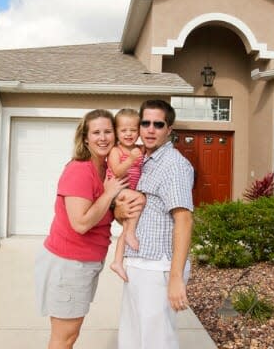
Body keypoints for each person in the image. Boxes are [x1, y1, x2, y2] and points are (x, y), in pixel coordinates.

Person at [34, 109, 133, 349]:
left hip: (83, 264)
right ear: (85, 138)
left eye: (108, 131)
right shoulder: (80, 170)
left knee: (70, 336)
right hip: (68, 264)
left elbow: (100, 214)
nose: (103, 137)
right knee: (64, 338)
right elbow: (80, 223)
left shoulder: (105, 171)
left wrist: (117, 211)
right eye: (96, 132)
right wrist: (110, 194)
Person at [115, 99, 195, 349]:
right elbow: (134, 212)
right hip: (137, 263)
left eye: (158, 124)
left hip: (158, 268)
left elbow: (184, 219)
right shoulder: (143, 162)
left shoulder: (174, 165)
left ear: (169, 129)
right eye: (145, 123)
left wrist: (175, 277)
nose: (150, 129)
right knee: (132, 339)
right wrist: (119, 211)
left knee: (157, 342)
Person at [108, 108, 145, 282]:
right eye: (124, 130)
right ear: (116, 132)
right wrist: (130, 159)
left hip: (130, 192)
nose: (128, 134)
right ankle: (130, 234)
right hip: (118, 190)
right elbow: (116, 171)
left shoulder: (141, 149)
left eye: (133, 130)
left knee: (127, 227)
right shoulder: (116, 151)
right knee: (140, 199)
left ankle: (117, 261)